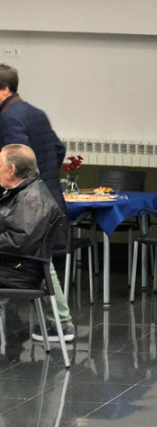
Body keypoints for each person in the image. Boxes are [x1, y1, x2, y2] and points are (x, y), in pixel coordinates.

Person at [0, 144, 74, 342]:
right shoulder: (27, 190)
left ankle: (61, 323)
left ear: (11, 170)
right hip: (22, 265)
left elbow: (17, 242)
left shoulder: (31, 198)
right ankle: (61, 322)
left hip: (18, 270)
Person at [0, 64, 66, 213]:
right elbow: (59, 149)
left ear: (5, 90)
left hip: (28, 208)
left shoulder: (8, 118)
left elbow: (16, 165)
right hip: (52, 199)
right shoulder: (36, 112)